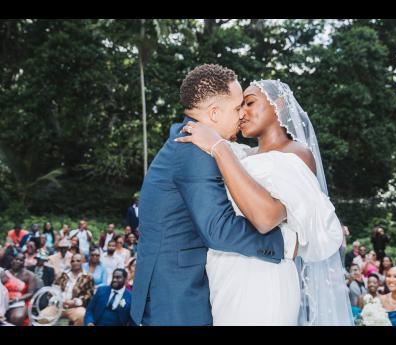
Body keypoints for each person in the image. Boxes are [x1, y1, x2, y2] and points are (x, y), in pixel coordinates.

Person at [176, 76, 353, 325]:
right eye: (238, 108)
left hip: (264, 276)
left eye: (249, 103)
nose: (242, 113)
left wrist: (218, 146)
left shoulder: (296, 153)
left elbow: (266, 218)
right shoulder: (242, 155)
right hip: (225, 275)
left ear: (278, 104)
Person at [131, 65, 299, 326]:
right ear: (214, 113)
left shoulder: (192, 140)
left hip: (178, 286)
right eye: (237, 108)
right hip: (177, 295)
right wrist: (284, 242)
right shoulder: (193, 150)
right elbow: (218, 228)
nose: (243, 114)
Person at [41, 253, 94, 326]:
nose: (75, 262)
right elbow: (53, 290)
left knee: (82, 315)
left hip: (76, 307)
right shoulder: (63, 274)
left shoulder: (88, 277)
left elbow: (89, 295)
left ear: (82, 262)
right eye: (73, 261)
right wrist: (58, 300)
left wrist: (75, 302)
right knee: (43, 315)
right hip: (59, 306)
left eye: (78, 261)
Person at [0, 252, 39, 325]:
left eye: (20, 260)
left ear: (24, 263)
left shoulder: (29, 275)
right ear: (12, 260)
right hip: (3, 301)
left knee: (17, 317)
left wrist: (16, 300)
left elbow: (30, 293)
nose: (17, 262)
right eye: (16, 259)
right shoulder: (4, 274)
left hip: (19, 301)